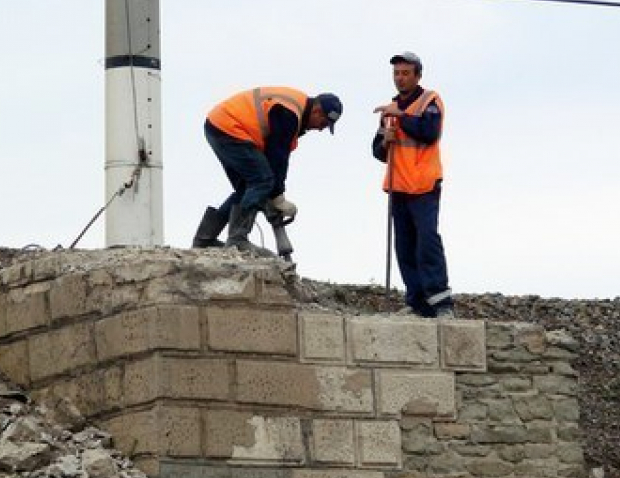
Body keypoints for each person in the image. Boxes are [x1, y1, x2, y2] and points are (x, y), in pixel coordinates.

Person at [193, 87, 343, 252]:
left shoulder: (295, 111)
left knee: (248, 187)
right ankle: (237, 239)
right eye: (323, 123)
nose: (321, 129)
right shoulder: (289, 113)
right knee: (262, 180)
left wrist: (273, 195)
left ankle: (205, 239)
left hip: (220, 125)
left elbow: (275, 159)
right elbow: (277, 156)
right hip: (230, 127)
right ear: (317, 110)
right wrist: (278, 198)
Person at [373, 51, 454, 318]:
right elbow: (377, 150)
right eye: (397, 73)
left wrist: (402, 117)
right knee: (405, 245)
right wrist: (386, 140)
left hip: (424, 185)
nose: (400, 78)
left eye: (405, 73)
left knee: (427, 241)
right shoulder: (389, 111)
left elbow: (429, 133)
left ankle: (441, 302)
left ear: (418, 75)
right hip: (398, 186)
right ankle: (417, 302)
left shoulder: (430, 101)